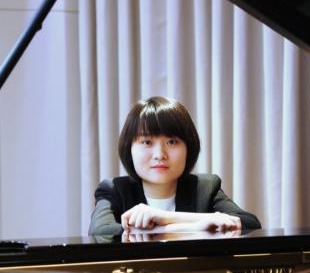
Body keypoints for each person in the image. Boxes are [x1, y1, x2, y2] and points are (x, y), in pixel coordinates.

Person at [88, 96, 261, 236]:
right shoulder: (114, 190)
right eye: (147, 142)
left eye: (171, 142)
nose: (160, 155)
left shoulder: (205, 187)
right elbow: (101, 233)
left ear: (189, 147)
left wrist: (164, 217)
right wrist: (193, 227)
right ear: (129, 149)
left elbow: (249, 224)